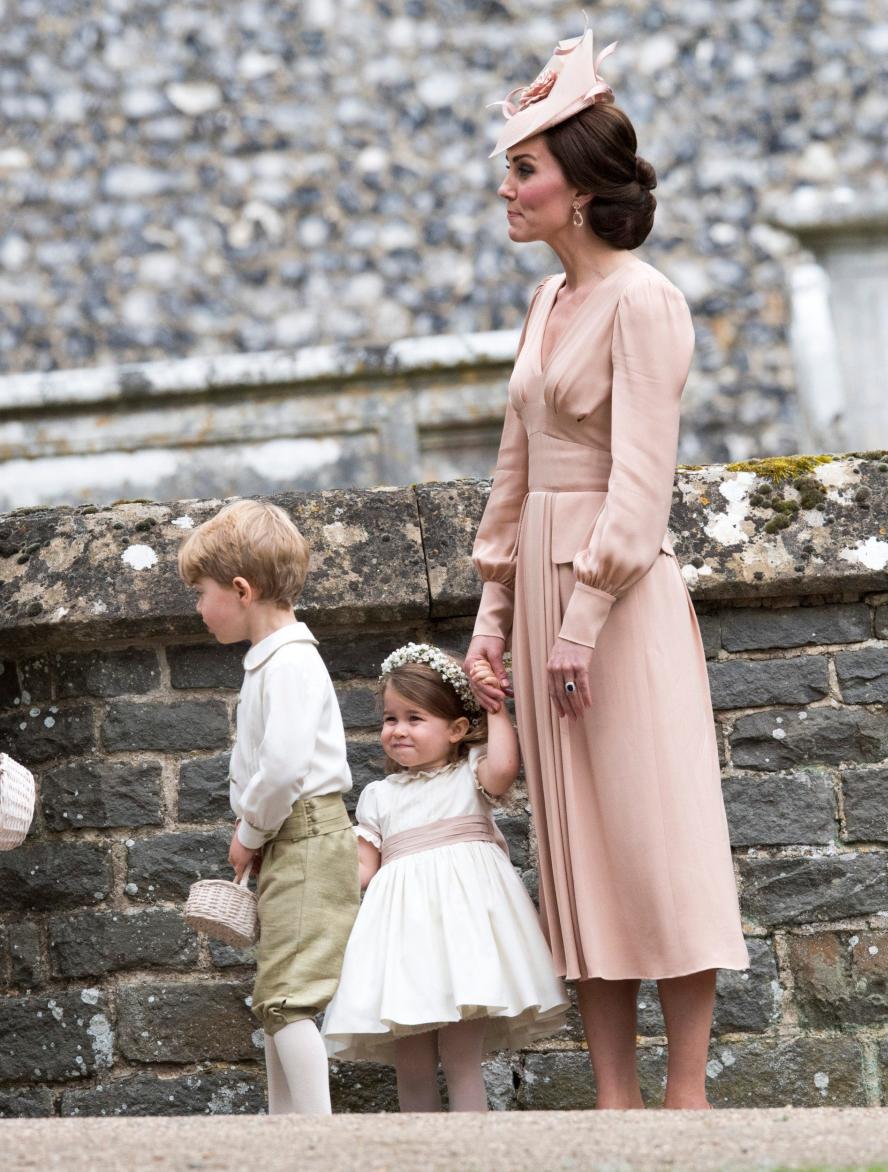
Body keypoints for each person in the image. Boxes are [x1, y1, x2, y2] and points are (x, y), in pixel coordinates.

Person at [464, 21, 750, 1110]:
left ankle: (686, 1096)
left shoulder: (645, 299)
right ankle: (614, 1100)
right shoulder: (546, 303)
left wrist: (577, 622)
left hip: (614, 604)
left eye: (523, 169)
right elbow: (512, 473)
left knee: (653, 825)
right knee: (576, 840)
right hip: (542, 590)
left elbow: (641, 486)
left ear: (577, 189)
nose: (508, 190)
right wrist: (495, 615)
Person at [321, 643, 568, 1112]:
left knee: (460, 1059)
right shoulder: (378, 795)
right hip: (405, 944)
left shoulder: (471, 776)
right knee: (411, 1065)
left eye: (415, 718)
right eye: (390, 719)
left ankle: (469, 1156)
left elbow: (505, 767)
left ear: (456, 729)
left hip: (464, 942)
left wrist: (496, 707)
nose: (398, 730)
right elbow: (362, 870)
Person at [177, 499, 359, 1115]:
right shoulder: (272, 662)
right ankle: (286, 1138)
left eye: (200, 593)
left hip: (303, 837)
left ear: (241, 589)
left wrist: (250, 831)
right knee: (275, 996)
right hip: (292, 839)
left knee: (288, 997)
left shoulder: (290, 662)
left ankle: (314, 1140)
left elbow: (282, 768)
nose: (198, 609)